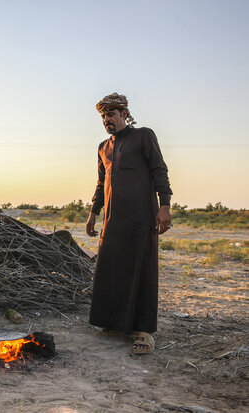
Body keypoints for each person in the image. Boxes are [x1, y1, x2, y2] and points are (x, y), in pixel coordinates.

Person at [86, 93, 172, 355]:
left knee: (142, 269)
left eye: (111, 114)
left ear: (124, 114)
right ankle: (115, 323)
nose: (106, 120)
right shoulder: (103, 147)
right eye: (103, 116)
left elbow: (159, 170)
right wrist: (93, 213)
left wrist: (165, 206)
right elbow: (101, 184)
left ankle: (145, 331)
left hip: (141, 215)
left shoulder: (144, 136)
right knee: (112, 269)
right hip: (113, 219)